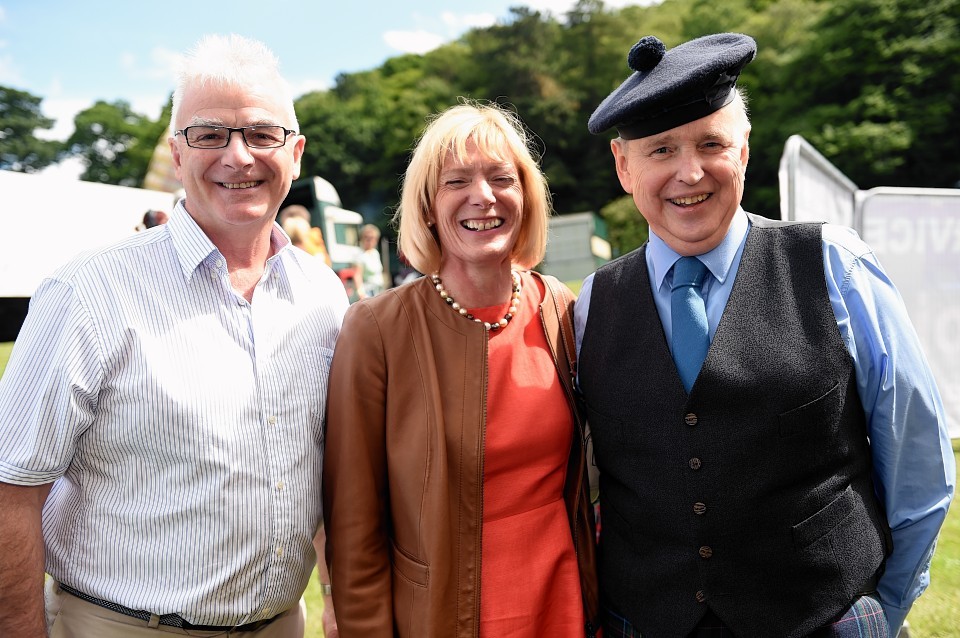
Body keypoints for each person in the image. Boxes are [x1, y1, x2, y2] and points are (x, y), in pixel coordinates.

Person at [575, 33, 955, 638]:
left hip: (826, 622)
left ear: (745, 150)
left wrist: (882, 609)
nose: (689, 172)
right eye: (661, 150)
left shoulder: (835, 266)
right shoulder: (594, 304)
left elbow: (917, 460)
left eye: (711, 143)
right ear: (625, 166)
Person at [0, 34, 349, 638]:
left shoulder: (322, 295)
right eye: (210, 134)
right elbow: (11, 487)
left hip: (280, 625)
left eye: (261, 135)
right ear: (176, 153)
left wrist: (336, 593)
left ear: (295, 154)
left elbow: (319, 469)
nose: (238, 157)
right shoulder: (90, 289)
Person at [322, 101, 600, 637]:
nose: (484, 197)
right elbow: (354, 526)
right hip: (442, 615)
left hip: (562, 601)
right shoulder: (376, 330)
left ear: (526, 197)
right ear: (427, 207)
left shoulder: (558, 306)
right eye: (457, 182)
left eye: (502, 178)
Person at [355, 223, 385, 298]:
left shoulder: (375, 253)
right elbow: (357, 275)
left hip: (379, 290)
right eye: (367, 237)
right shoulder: (360, 255)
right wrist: (360, 292)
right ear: (362, 238)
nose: (370, 240)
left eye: (372, 238)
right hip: (368, 292)